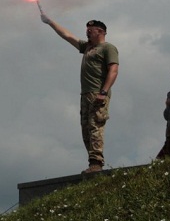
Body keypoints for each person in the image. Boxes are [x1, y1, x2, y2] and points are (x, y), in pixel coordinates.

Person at [41, 14, 119, 174]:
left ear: (101, 31)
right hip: (85, 95)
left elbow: (114, 70)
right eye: (87, 30)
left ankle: (96, 163)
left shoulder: (108, 48)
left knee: (95, 125)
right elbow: (67, 36)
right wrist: (50, 22)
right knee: (85, 129)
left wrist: (103, 92)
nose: (87, 33)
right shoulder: (88, 48)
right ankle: (92, 162)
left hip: (98, 93)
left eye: (91, 30)